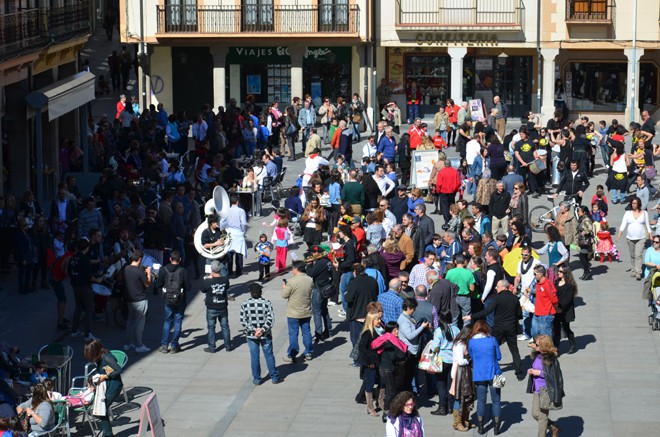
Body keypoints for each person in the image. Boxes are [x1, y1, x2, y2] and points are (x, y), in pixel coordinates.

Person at [467, 279, 524, 380]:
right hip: (511, 328)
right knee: (514, 350)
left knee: (492, 348)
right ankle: (519, 373)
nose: (496, 288)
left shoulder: (497, 298)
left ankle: (489, 369)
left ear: (503, 287)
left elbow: (487, 311)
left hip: (498, 328)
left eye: (497, 286)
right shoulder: (515, 298)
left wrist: (472, 316)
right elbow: (519, 314)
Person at [240, 283, 282, 385]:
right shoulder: (267, 303)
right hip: (265, 334)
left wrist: (254, 330)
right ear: (261, 292)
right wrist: (262, 330)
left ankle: (257, 379)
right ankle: (274, 377)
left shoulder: (245, 304)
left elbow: (243, 321)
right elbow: (270, 319)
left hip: (251, 335)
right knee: (269, 355)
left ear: (251, 293)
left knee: (254, 357)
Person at [467, 320, 502, 435]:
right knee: (496, 400)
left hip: (479, 374)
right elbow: (499, 356)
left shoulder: (471, 342)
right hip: (494, 373)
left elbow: (472, 356)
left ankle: (481, 426)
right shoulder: (492, 340)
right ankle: (497, 426)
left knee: (481, 401)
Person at [527, 335, 564, 437]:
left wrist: (539, 373)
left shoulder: (551, 359)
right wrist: (531, 371)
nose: (535, 346)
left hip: (546, 391)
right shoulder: (537, 355)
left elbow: (554, 376)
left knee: (543, 417)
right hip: (536, 389)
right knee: (535, 413)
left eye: (537, 344)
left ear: (543, 346)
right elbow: (535, 367)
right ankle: (553, 427)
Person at [84, 340, 123, 437]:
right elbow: (99, 371)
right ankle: (107, 433)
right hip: (107, 386)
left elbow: (119, 370)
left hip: (114, 386)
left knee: (102, 409)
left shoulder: (107, 357)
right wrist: (91, 381)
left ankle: (108, 434)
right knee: (101, 410)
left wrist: (105, 376)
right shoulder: (99, 358)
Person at [155, 251, 189, 354]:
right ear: (180, 260)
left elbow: (158, 284)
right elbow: (189, 286)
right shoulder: (183, 271)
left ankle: (164, 345)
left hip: (168, 300)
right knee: (178, 322)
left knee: (167, 322)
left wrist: (164, 293)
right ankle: (174, 346)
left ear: (170, 259)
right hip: (180, 300)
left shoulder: (163, 269)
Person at [68, 238, 101, 341]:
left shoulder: (73, 257)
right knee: (89, 309)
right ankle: (88, 334)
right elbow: (89, 276)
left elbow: (69, 271)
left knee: (78, 307)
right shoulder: (84, 259)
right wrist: (98, 280)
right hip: (84, 286)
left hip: (75, 285)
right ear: (87, 248)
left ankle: (74, 330)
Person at [429, 310, 460, 417]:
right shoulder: (456, 329)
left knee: (440, 384)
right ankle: (451, 407)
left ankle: (442, 407)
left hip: (441, 360)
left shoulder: (438, 331)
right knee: (450, 384)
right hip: (453, 360)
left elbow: (435, 346)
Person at [282, 261, 314, 362]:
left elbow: (284, 295)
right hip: (306, 310)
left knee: (293, 333)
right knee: (306, 332)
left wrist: (284, 287)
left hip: (294, 312)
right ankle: (308, 352)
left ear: (296, 269)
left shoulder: (291, 281)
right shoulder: (310, 280)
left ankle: (292, 353)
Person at [397, 298, 431, 393]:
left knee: (410, 374)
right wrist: (422, 327)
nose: (414, 310)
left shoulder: (408, 318)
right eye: (413, 308)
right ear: (408, 308)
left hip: (412, 350)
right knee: (408, 376)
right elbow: (410, 335)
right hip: (409, 351)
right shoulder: (404, 320)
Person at [123, 250, 153, 353]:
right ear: (140, 259)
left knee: (130, 322)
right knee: (139, 323)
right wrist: (149, 273)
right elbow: (147, 284)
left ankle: (127, 343)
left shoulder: (126, 269)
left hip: (130, 300)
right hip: (140, 299)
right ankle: (139, 345)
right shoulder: (139, 271)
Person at [616, 196, 652, 281]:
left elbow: (647, 224)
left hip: (641, 238)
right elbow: (623, 224)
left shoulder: (644, 213)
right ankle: (633, 269)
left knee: (638, 255)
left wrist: (650, 234)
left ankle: (638, 272)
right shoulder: (628, 213)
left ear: (638, 204)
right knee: (632, 255)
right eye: (632, 203)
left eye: (635, 203)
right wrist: (619, 234)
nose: (633, 205)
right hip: (630, 238)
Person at [201, 260, 232, 353]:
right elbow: (226, 288)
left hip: (211, 307)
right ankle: (228, 345)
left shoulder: (208, 281)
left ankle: (212, 347)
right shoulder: (225, 280)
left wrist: (208, 279)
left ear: (212, 270)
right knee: (225, 326)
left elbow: (203, 289)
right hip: (222, 306)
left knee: (211, 327)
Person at [305, 245, 333, 343]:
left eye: (313, 253)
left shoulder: (321, 263)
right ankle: (329, 330)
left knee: (316, 312)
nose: (311, 254)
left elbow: (310, 273)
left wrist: (309, 264)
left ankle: (319, 333)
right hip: (326, 287)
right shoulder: (328, 261)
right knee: (324, 309)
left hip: (319, 289)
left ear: (317, 253)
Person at [358, 311, 383, 416]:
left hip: (379, 362)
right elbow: (362, 350)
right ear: (371, 321)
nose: (380, 321)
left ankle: (380, 401)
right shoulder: (367, 333)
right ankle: (369, 406)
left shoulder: (380, 330)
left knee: (382, 382)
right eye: (377, 319)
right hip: (371, 364)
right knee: (370, 383)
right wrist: (369, 362)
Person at [526, 265, 558, 338]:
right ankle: (540, 348)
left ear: (540, 274)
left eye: (535, 274)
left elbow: (554, 299)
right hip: (537, 312)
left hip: (546, 314)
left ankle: (548, 349)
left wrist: (554, 308)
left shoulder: (547, 284)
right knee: (535, 333)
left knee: (545, 337)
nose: (533, 276)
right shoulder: (538, 283)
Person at [553, 267, 577, 354]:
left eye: (560, 271)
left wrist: (560, 308)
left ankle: (572, 345)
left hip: (565, 311)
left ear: (565, 273)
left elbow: (567, 299)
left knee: (566, 328)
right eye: (558, 271)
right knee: (556, 329)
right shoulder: (556, 282)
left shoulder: (570, 285)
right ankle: (556, 348)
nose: (558, 273)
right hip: (556, 310)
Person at [576, 205, 595, 280]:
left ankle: (587, 272)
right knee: (583, 257)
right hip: (582, 240)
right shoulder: (582, 218)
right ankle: (586, 272)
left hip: (585, 241)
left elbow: (591, 228)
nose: (578, 212)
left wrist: (585, 232)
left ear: (584, 212)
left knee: (582, 256)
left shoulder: (586, 219)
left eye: (579, 211)